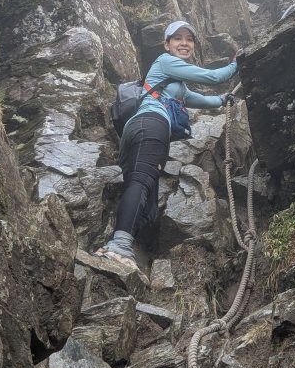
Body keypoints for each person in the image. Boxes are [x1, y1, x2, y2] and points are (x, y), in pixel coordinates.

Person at [96, 19, 238, 274]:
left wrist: (222, 99)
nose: (184, 43)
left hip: (139, 129)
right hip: (151, 124)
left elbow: (200, 99)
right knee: (141, 181)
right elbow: (214, 77)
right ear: (166, 44)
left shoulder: (176, 85)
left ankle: (124, 247)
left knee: (147, 198)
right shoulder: (165, 61)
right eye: (178, 38)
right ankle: (117, 246)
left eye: (189, 39)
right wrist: (237, 63)